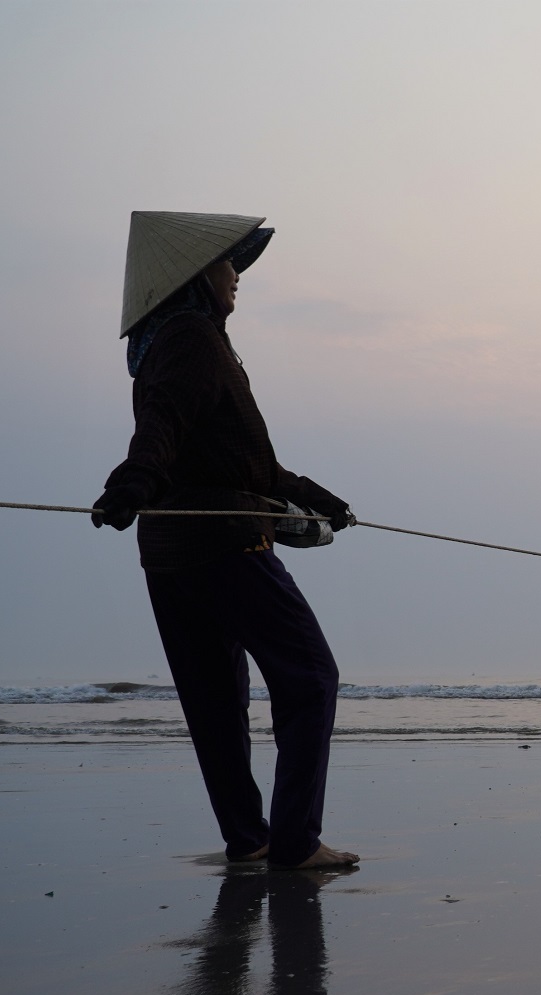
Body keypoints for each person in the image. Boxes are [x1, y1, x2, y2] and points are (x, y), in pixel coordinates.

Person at [92, 211, 357, 870]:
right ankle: (294, 841)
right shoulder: (192, 338)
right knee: (310, 677)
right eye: (229, 264)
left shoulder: (169, 342)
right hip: (224, 542)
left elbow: (239, 460)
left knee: (215, 700)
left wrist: (318, 499)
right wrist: (134, 480)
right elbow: (164, 426)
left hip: (170, 550)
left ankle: (250, 839)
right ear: (195, 277)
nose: (236, 276)